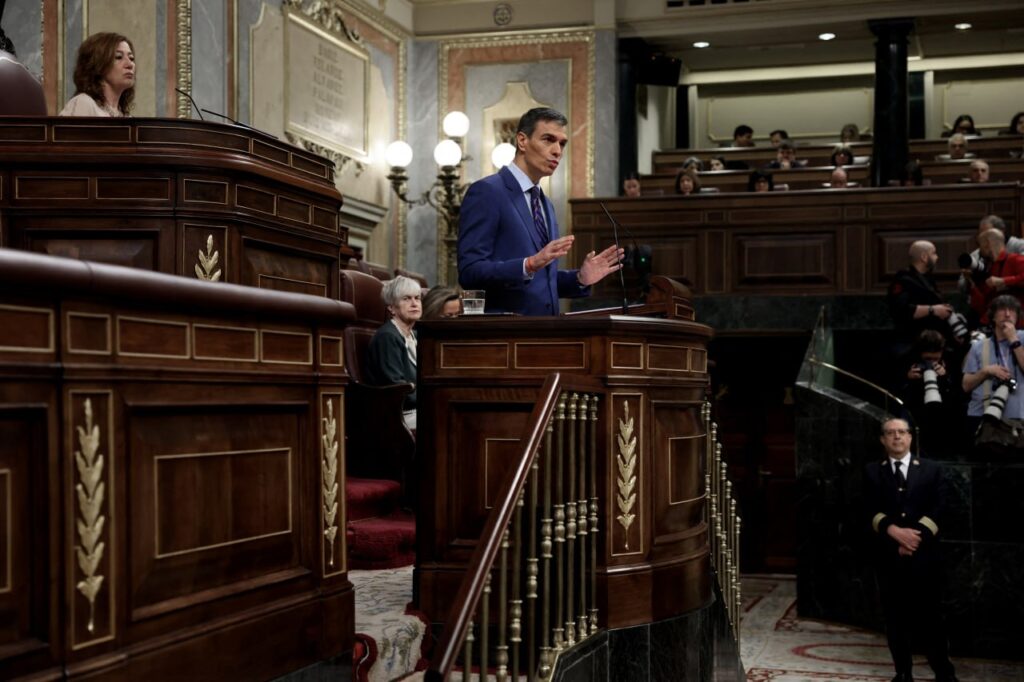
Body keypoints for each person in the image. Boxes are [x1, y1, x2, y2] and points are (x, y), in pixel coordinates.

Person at [457, 107, 623, 316]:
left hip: (546, 330)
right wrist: (528, 264)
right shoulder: (487, 192)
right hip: (505, 331)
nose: (557, 151)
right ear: (522, 141)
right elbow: (470, 272)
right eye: (548, 139)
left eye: (562, 143)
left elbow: (541, 282)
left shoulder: (545, 203)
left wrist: (580, 278)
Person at [865, 417, 958, 682]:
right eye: (890, 433)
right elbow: (867, 509)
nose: (897, 437)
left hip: (924, 556)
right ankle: (903, 673)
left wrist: (913, 539)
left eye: (902, 432)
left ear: (910, 437)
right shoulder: (872, 471)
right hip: (889, 556)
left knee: (931, 618)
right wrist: (893, 532)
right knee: (895, 619)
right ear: (882, 439)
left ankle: (944, 673)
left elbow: (941, 508)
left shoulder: (931, 469)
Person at [366, 276, 422, 430]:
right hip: (398, 414)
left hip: (418, 409)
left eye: (417, 298)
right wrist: (432, 398)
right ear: (391, 307)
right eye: (406, 299)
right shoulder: (387, 337)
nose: (414, 303)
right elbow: (395, 386)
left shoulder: (416, 336)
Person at [962, 295, 1024, 432]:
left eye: (1012, 310)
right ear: (993, 316)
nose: (1007, 314)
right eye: (1002, 309)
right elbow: (966, 386)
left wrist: (1014, 340)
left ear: (1017, 316)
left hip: (1018, 416)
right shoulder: (979, 346)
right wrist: (986, 371)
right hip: (982, 415)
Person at [887, 241, 958, 355]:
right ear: (924, 257)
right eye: (934, 253)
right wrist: (933, 310)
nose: (937, 257)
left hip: (933, 341)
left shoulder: (928, 279)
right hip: (913, 343)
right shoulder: (903, 280)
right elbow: (900, 310)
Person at [59, 32, 135, 117]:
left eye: (131, 58)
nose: (130, 64)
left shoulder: (126, 116)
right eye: (118, 57)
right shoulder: (84, 103)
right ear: (98, 64)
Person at [965, 228, 1024, 324]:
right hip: (993, 321)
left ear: (987, 243)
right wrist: (971, 283)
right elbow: (983, 303)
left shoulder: (1015, 259)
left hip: (1016, 321)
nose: (979, 250)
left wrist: (1003, 281)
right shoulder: (990, 267)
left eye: (980, 245)